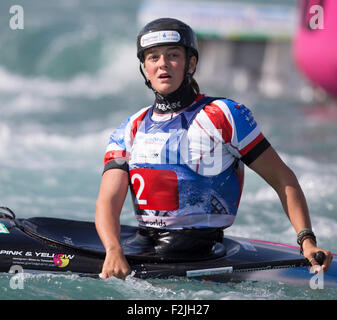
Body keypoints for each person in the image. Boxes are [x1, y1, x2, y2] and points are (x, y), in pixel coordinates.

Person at [95, 18, 332, 280]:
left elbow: (282, 178)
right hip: (143, 249)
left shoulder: (225, 115)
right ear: (145, 68)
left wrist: (306, 240)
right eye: (153, 57)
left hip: (205, 251)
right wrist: (113, 249)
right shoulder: (130, 128)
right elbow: (108, 200)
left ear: (191, 63)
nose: (162, 63)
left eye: (173, 55)